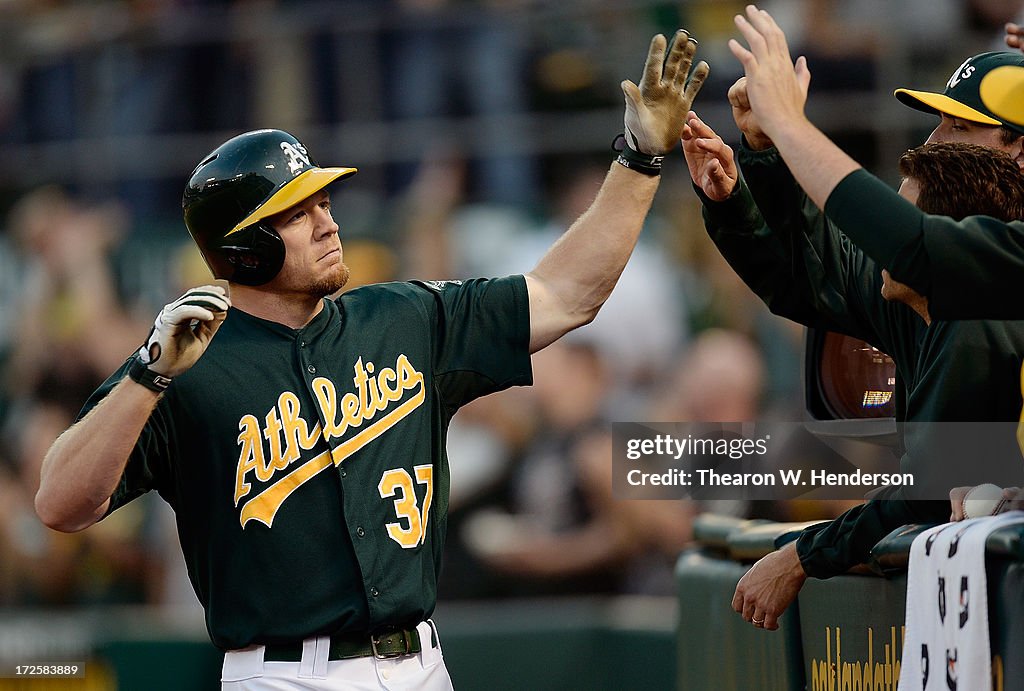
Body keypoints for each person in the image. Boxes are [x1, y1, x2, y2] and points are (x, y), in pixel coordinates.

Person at [32, 31, 709, 690]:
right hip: (283, 669)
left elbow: (564, 294)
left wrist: (642, 157)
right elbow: (61, 503)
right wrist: (148, 375)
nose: (328, 220)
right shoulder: (183, 365)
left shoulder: (403, 317)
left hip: (421, 659)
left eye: (323, 201)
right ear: (245, 249)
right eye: (299, 213)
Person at [685, 40, 1024, 636]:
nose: (934, 139)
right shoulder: (929, 284)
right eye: (938, 119)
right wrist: (751, 175)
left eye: (960, 124)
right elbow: (817, 279)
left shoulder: (988, 291)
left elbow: (932, 479)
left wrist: (804, 555)